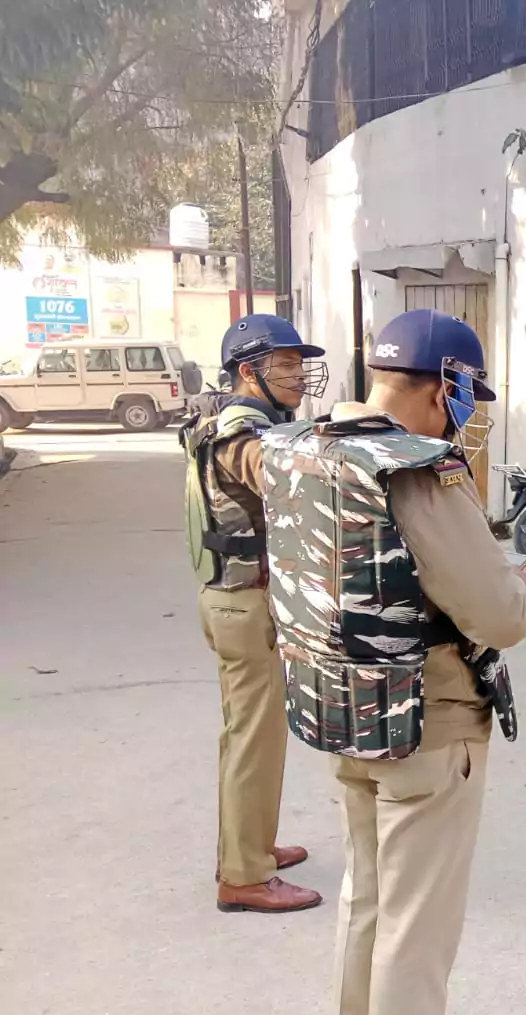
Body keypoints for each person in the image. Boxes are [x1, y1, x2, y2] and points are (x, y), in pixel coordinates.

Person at [260, 309, 526, 1015]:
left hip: (343, 708)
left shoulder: (305, 445)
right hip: (428, 716)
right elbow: (497, 614)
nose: (468, 410)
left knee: (368, 902)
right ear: (446, 383)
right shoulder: (419, 469)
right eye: (466, 391)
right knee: (417, 920)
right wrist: (510, 588)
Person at [181, 313, 327, 914]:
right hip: (245, 602)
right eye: (285, 364)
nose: (298, 375)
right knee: (253, 740)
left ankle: (253, 846)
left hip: (238, 599)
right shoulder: (244, 432)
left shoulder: (245, 419)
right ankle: (243, 875)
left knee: (254, 736)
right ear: (249, 371)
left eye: (299, 363)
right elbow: (280, 479)